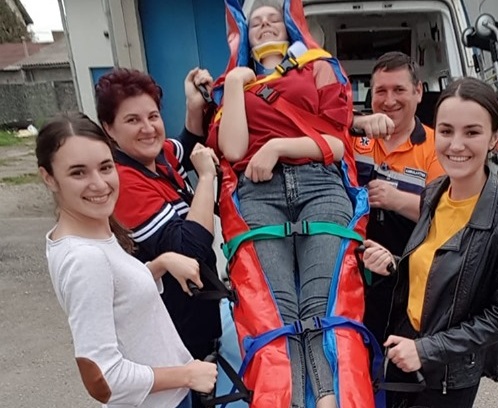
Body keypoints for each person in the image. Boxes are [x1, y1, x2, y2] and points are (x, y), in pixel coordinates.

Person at [215, 1, 362, 407]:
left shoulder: (320, 67)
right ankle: (294, 400)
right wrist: (235, 83)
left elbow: (338, 144)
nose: (264, 26)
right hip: (259, 195)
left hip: (320, 186)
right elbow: (233, 150)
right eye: (255, 23)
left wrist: (277, 147)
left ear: (289, 27)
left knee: (322, 303)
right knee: (277, 309)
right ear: (245, 34)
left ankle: (329, 398)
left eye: (272, 19)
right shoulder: (235, 83)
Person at [362, 77, 498, 407]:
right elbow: (438, 273)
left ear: (494, 137)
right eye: (446, 131)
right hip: (402, 350)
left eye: (471, 132)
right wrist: (394, 264)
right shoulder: (434, 192)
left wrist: (425, 350)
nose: (456, 145)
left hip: (445, 376)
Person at [37, 112, 217, 408]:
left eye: (105, 167)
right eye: (78, 173)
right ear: (49, 178)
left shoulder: (86, 237)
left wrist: (158, 265)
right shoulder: (85, 259)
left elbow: (115, 292)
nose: (99, 184)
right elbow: (103, 380)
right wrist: (186, 375)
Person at [94, 68, 222, 370]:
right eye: (132, 120)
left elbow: (187, 146)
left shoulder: (159, 155)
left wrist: (193, 105)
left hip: (197, 324)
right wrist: (206, 178)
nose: (148, 128)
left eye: (153, 116)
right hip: (172, 341)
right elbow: (189, 250)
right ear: (109, 129)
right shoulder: (124, 183)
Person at [351, 51, 445, 345]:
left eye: (399, 90)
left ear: (418, 92)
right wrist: (358, 122)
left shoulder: (436, 146)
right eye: (381, 91)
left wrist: (396, 199)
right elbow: (320, 123)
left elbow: (447, 217)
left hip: (406, 277)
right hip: (352, 273)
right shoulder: (353, 137)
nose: (389, 100)